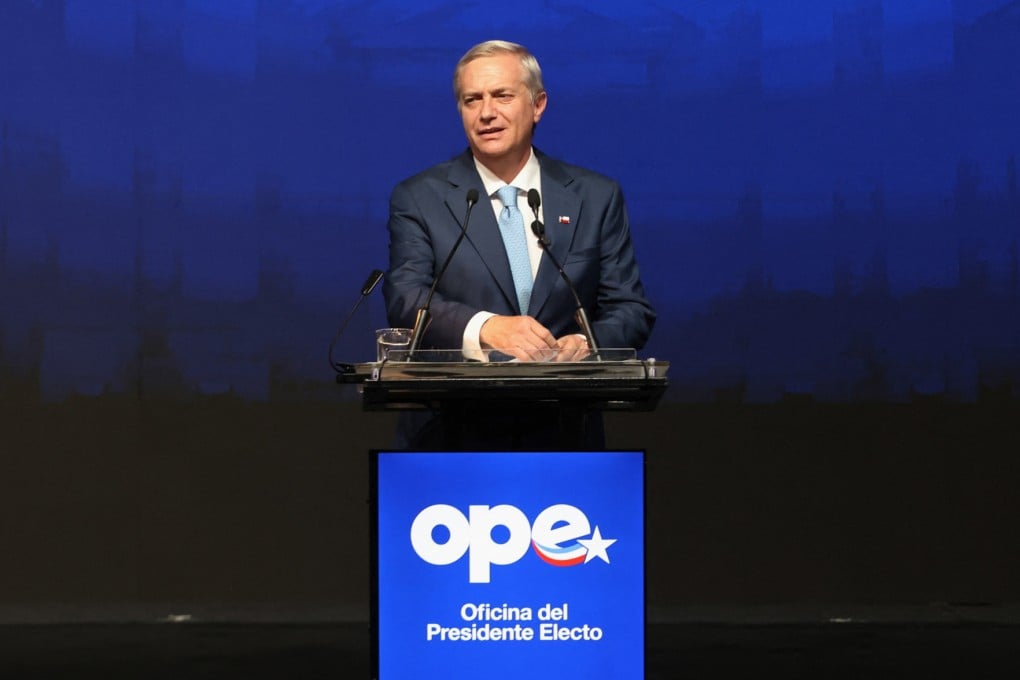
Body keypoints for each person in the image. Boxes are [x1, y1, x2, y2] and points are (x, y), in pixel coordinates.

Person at [383, 40, 656, 448]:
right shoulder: (419, 197)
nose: (487, 112)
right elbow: (406, 299)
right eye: (472, 100)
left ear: (538, 104)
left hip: (567, 434)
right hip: (451, 436)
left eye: (502, 96)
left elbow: (631, 309)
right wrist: (488, 327)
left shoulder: (595, 197)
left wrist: (584, 344)